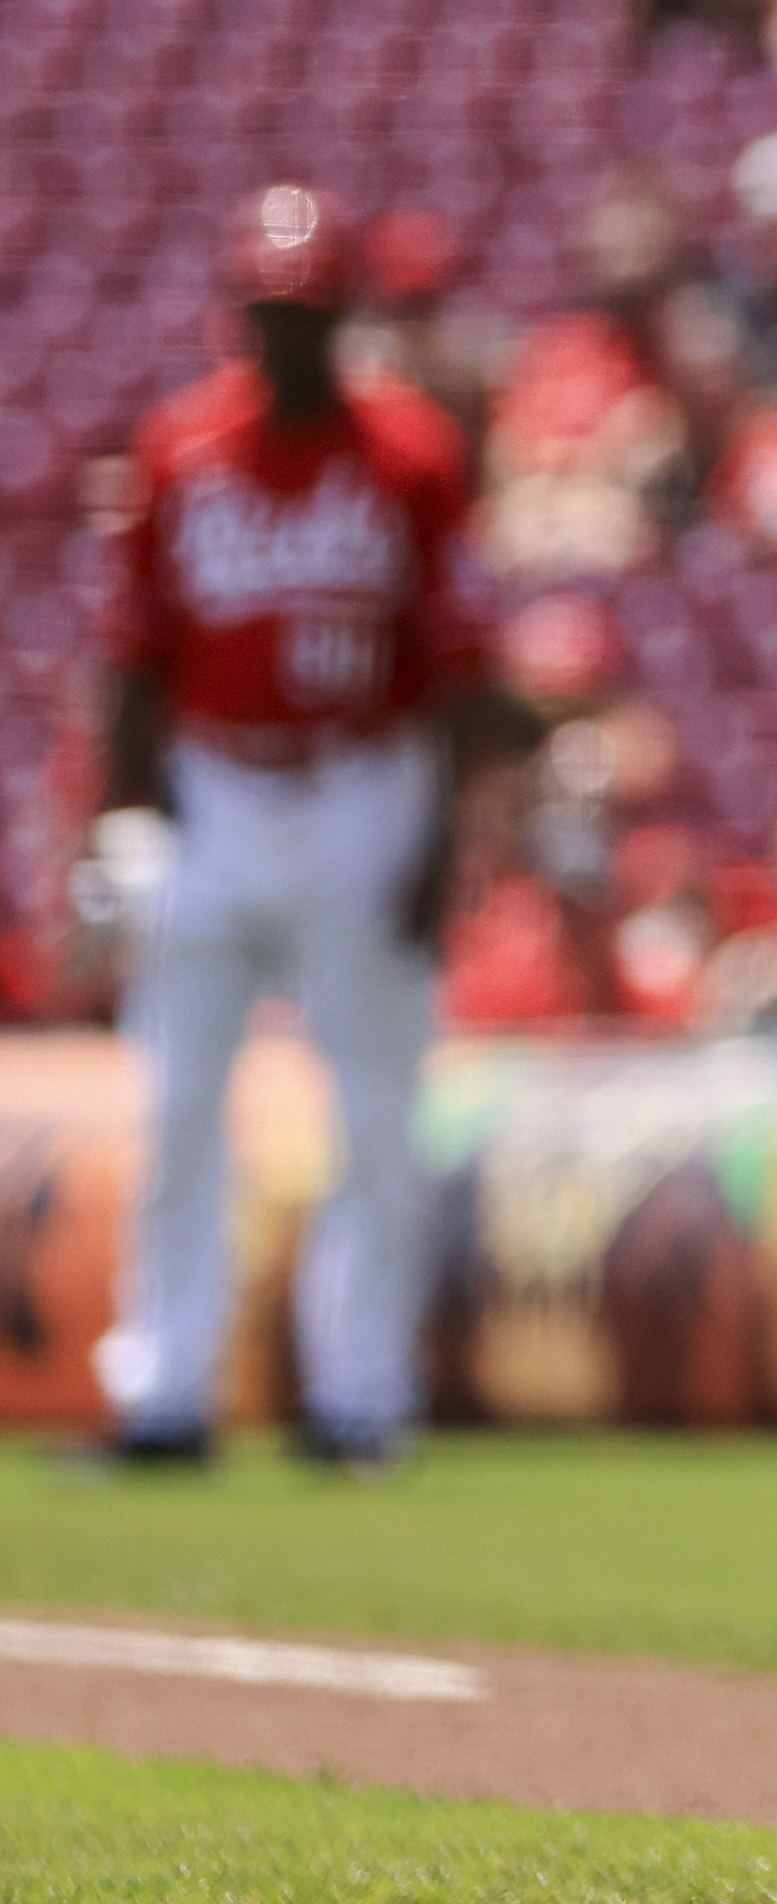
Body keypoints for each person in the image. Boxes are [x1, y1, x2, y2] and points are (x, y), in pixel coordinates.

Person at [89, 191, 514, 1472]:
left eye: (308, 315)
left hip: (359, 788)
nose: (285, 338)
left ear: (343, 318)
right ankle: (164, 1395)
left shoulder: (412, 452)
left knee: (376, 1115)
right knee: (174, 1107)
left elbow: (452, 671)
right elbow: (134, 661)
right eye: (269, 313)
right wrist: (122, 815)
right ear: (240, 315)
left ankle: (362, 1398)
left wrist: (439, 847)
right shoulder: (180, 449)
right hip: (216, 793)